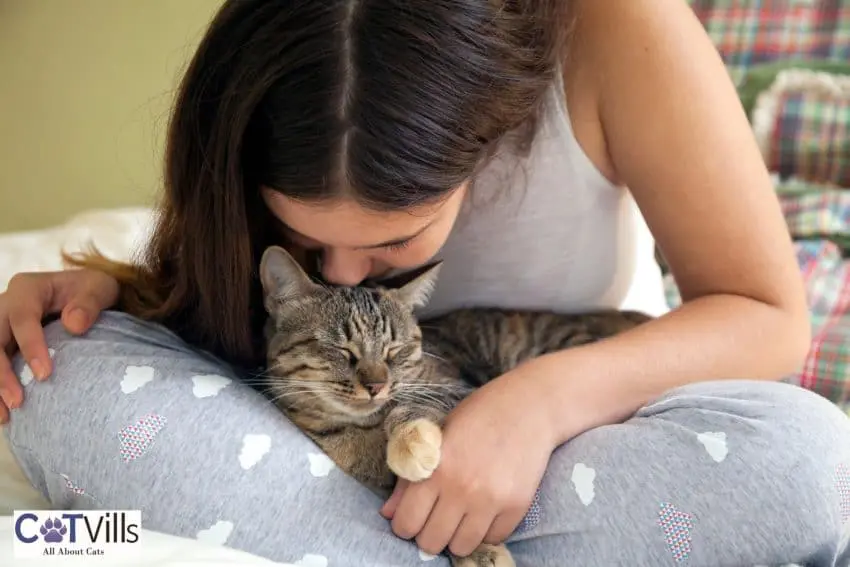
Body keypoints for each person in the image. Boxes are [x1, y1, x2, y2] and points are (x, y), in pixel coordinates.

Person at [1, 0, 848, 564]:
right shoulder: (280, 49)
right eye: (299, 233)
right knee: (62, 377)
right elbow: (212, 306)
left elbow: (770, 317)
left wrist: (539, 401)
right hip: (331, 444)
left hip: (577, 430)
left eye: (397, 236)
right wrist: (108, 300)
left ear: (488, 138)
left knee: (813, 463)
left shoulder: (615, 26)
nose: (339, 272)